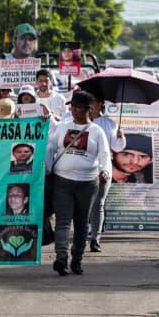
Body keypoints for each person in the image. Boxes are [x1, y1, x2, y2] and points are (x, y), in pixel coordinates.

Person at [46, 91, 110, 276]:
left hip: (87, 184)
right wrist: (46, 166)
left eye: (78, 107)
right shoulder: (63, 126)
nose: (74, 110)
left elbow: (105, 154)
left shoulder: (97, 131)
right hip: (62, 182)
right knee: (63, 221)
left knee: (81, 223)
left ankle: (77, 259)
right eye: (72, 106)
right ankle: (61, 258)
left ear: (88, 109)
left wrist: (104, 171)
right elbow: (51, 146)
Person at [87, 95, 126, 251]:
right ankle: (86, 230)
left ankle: (95, 238)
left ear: (100, 104)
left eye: (93, 103)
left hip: (103, 167)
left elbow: (117, 147)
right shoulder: (79, 121)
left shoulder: (109, 123)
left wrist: (121, 137)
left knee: (99, 203)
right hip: (84, 167)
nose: (91, 106)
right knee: (85, 203)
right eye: (88, 103)